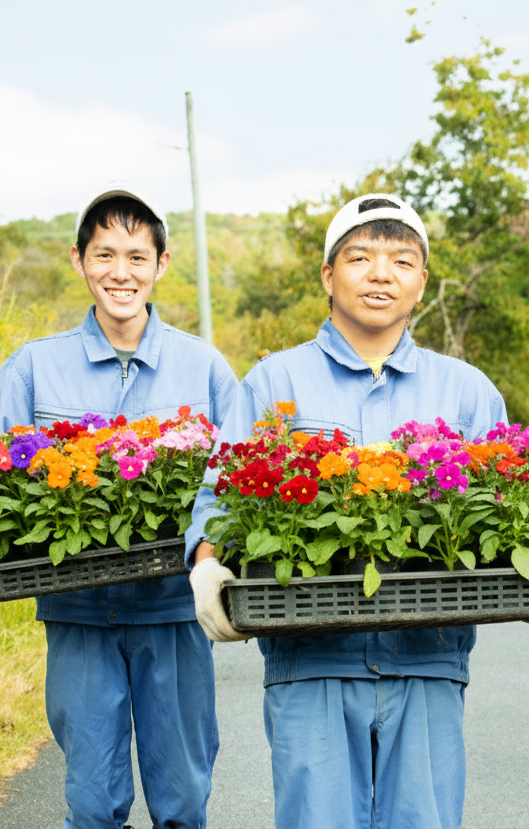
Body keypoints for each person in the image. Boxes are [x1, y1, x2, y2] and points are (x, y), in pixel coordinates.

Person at [0, 186, 238, 829]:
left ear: (162, 265)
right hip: (79, 611)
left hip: (172, 613)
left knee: (183, 801)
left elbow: (237, 477)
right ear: (79, 260)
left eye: (137, 257)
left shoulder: (202, 367)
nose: (121, 272)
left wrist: (214, 556)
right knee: (91, 802)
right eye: (105, 254)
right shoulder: (36, 367)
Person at [186, 193, 508, 829]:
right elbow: (217, 496)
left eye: (400, 260)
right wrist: (208, 563)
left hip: (428, 657)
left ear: (422, 280)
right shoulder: (274, 383)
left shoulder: (467, 390)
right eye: (360, 257)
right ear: (329, 276)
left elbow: (503, 502)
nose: (380, 274)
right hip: (309, 661)